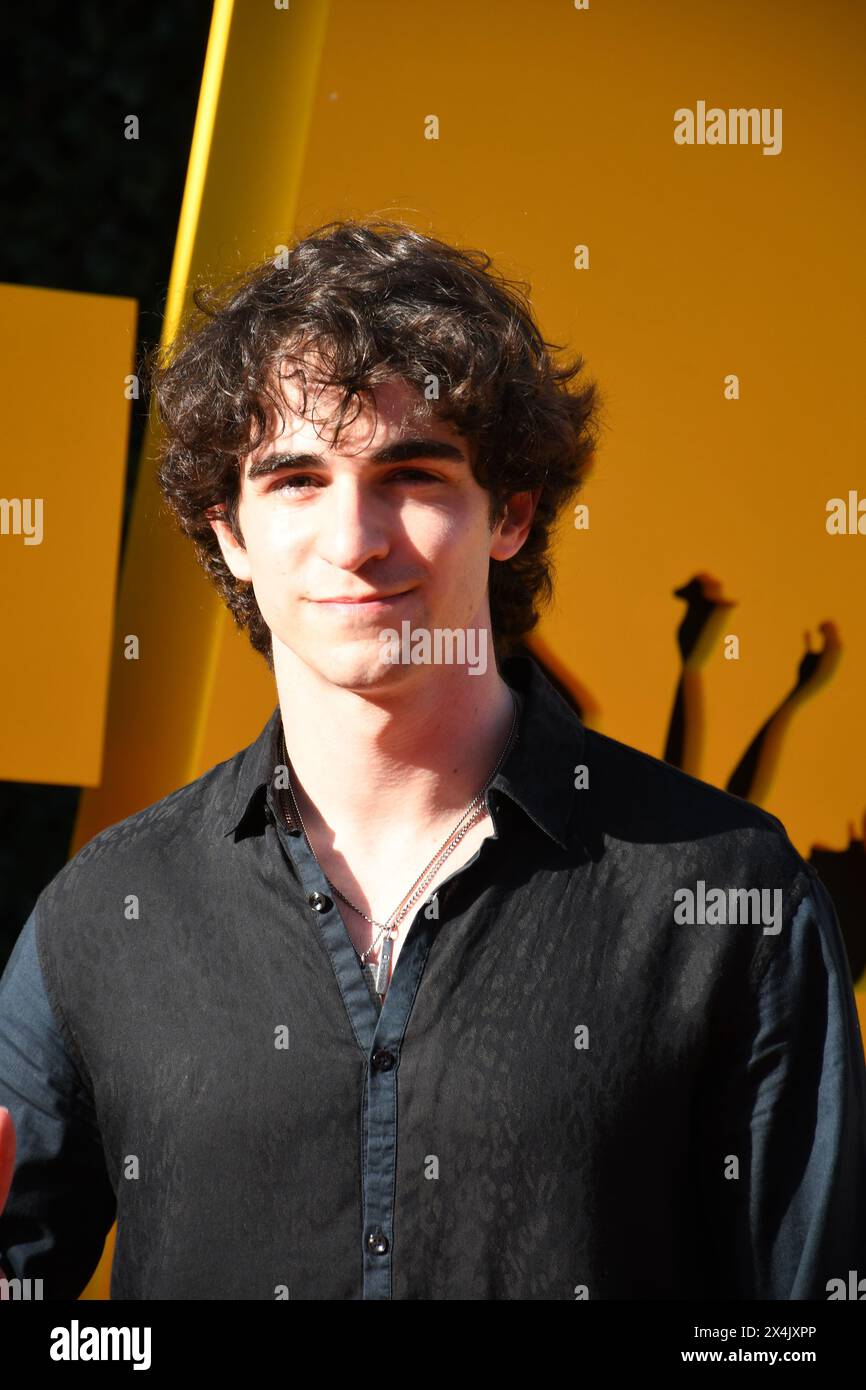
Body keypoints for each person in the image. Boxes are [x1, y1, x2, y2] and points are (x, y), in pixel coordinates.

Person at [1, 220, 865, 1301]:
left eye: (407, 473)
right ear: (228, 530)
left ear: (508, 514)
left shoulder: (728, 897)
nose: (355, 539)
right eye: (295, 480)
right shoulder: (106, 913)